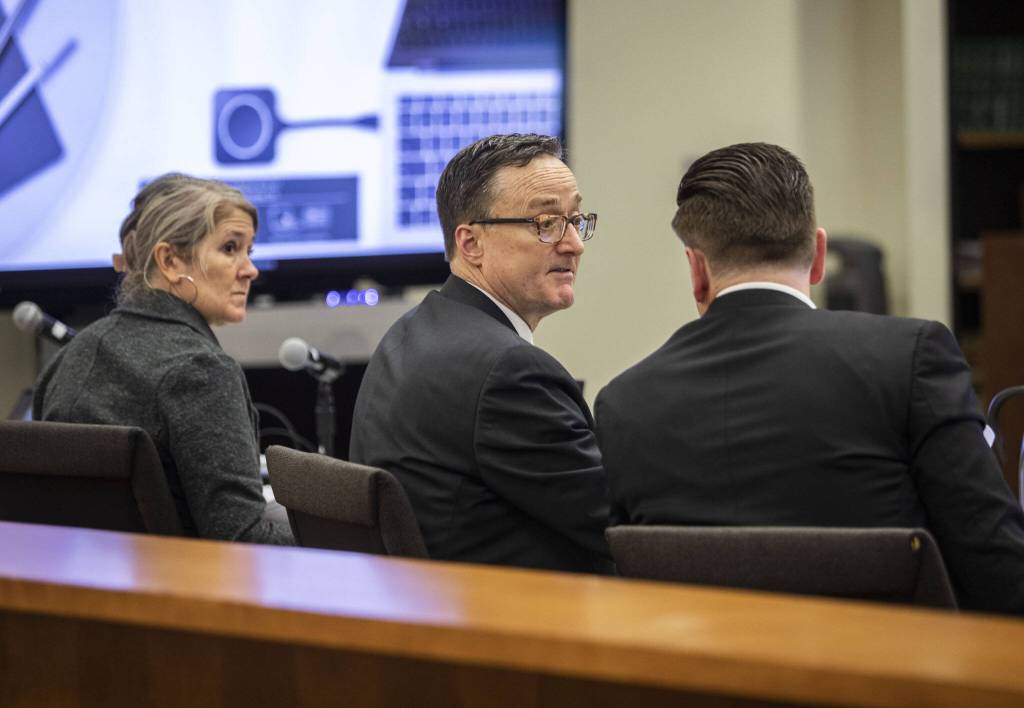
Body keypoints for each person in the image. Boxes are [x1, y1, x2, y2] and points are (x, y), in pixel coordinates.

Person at [595, 142, 1024, 613]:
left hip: (700, 681)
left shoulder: (623, 403)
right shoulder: (910, 358)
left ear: (696, 269)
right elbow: (998, 570)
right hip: (884, 679)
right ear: (819, 254)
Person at [350, 133, 611, 572]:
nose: (574, 244)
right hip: (514, 622)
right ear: (471, 243)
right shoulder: (509, 372)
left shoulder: (413, 330)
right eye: (546, 222)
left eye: (576, 219)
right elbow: (618, 524)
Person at [34, 174, 293, 545]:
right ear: (170, 261)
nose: (250, 269)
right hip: (181, 594)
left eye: (249, 250)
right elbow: (242, 539)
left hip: (74, 594)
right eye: (230, 248)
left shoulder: (70, 357)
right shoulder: (201, 371)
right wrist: (339, 541)